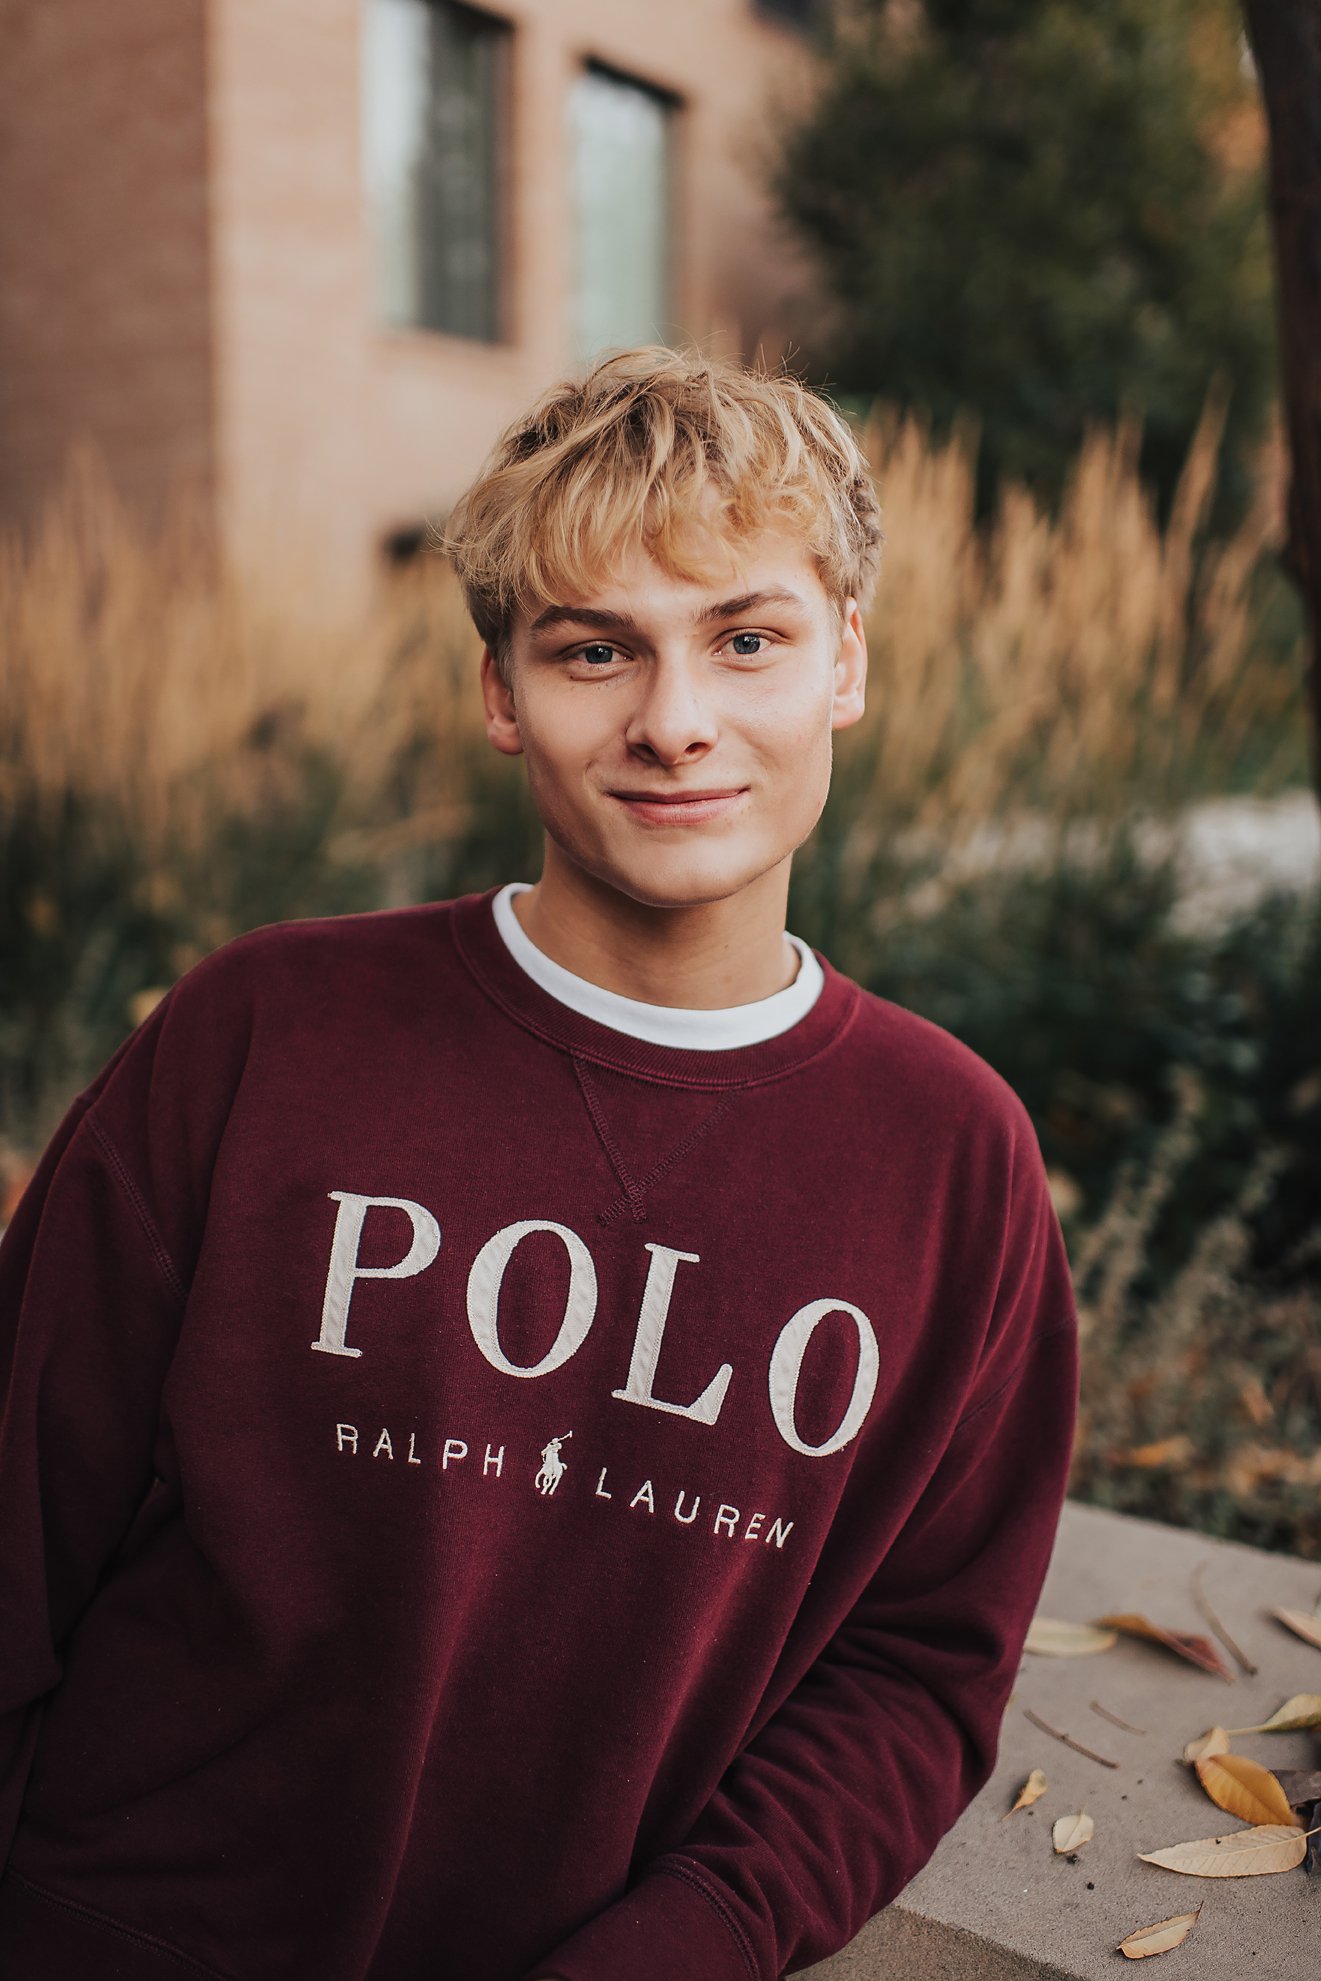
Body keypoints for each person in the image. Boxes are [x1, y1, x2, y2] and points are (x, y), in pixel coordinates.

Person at [0, 346, 1079, 1981]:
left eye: (746, 639)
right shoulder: (262, 1029)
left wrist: (684, 1948)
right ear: (502, 690)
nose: (674, 722)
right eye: (595, 650)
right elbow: (23, 1492)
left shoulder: (952, 1158)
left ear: (842, 661)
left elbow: (917, 1669)